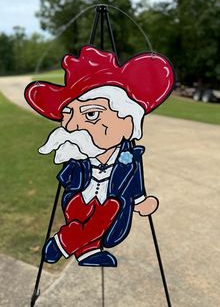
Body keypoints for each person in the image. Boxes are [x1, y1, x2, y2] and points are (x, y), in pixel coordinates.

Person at [24, 45, 174, 267]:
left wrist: (141, 201)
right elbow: (67, 175)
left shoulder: (130, 157)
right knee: (85, 215)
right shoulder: (78, 153)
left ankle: (65, 244)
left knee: (109, 211)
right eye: (68, 114)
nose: (73, 126)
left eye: (91, 114)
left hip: (111, 204)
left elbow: (135, 181)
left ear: (127, 122)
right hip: (78, 198)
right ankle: (80, 247)